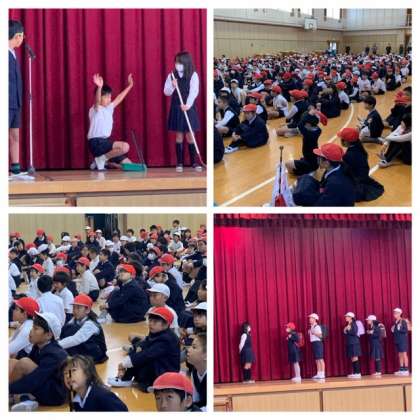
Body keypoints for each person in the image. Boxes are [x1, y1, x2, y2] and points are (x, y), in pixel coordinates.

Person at [108, 306, 180, 391]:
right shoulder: (158, 332)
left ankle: (149, 384)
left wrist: (124, 363)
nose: (151, 323)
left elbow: (148, 354)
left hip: (166, 373)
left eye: (155, 321)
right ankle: (125, 378)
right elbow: (146, 343)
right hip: (161, 365)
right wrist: (137, 348)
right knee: (138, 350)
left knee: (142, 358)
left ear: (166, 324)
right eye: (150, 320)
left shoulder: (167, 339)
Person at [9, 312, 67, 410]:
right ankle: (22, 397)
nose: (31, 331)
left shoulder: (53, 354)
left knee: (24, 363)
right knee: (12, 362)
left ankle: (17, 396)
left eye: (35, 329)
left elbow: (35, 380)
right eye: (32, 327)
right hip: (43, 384)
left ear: (48, 335)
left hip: (54, 394)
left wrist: (9, 388)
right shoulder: (38, 346)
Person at [164, 51, 202, 172]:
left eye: (179, 62)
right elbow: (166, 92)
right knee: (179, 135)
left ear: (186, 62)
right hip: (177, 106)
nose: (177, 64)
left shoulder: (193, 75)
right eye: (176, 62)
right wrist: (172, 85)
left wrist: (188, 105)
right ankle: (179, 163)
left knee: (190, 135)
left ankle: (194, 162)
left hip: (188, 106)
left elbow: (194, 91)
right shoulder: (171, 75)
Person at [88, 73, 134, 170]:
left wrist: (130, 86)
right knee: (125, 147)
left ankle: (104, 162)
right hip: (96, 143)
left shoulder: (109, 108)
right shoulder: (95, 109)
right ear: (100, 97)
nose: (109, 99)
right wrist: (99, 87)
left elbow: (119, 98)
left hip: (106, 143)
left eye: (110, 97)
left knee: (129, 165)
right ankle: (101, 160)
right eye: (106, 97)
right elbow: (97, 101)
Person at [62, 355, 128, 411]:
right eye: (65, 373)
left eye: (73, 370)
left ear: (87, 373)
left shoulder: (103, 396)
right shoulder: (74, 399)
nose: (68, 376)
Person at [59, 294, 108, 364]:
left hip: (98, 354)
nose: (75, 311)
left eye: (78, 308)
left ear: (87, 310)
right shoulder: (74, 319)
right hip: (85, 349)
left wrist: (56, 346)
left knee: (72, 331)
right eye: (74, 307)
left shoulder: (91, 324)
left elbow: (76, 339)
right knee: (67, 329)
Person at [338, 127, 384, 201]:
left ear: (346, 142)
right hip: (362, 174)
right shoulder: (359, 147)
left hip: (357, 178)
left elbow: (346, 170)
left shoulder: (349, 155)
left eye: (342, 139)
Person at [9, 20, 24, 175]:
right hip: (7, 101)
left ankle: (15, 169)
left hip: (16, 102)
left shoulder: (13, 53)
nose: (22, 39)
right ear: (17, 35)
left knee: (15, 134)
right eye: (21, 36)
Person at [286, 109, 321, 176]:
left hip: (310, 163)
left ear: (308, 124)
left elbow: (300, 124)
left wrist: (309, 114)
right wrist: (311, 115)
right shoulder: (318, 130)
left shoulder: (308, 134)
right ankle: (307, 169)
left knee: (287, 164)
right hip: (312, 159)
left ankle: (305, 173)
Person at [186, 333, 207, 410]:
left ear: (206, 355)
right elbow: (195, 400)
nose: (189, 349)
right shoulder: (194, 371)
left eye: (194, 347)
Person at [391, 308, 410, 376]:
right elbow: (396, 331)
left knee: (404, 354)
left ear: (399, 313)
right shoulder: (396, 322)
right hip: (397, 340)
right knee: (400, 355)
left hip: (402, 340)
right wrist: (394, 329)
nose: (394, 314)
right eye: (394, 313)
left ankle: (406, 370)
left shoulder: (403, 321)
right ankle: (401, 369)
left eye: (396, 313)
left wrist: (399, 329)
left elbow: (405, 330)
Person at [343, 312, 362, 379]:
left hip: (354, 343)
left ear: (351, 317)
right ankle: (355, 372)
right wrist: (345, 330)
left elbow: (354, 332)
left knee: (355, 357)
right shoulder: (349, 324)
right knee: (352, 357)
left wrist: (348, 330)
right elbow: (347, 332)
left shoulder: (353, 324)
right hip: (350, 343)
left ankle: (358, 373)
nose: (346, 317)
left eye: (347, 316)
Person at [308, 313, 325, 380]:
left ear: (315, 319)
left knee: (320, 358)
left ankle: (322, 374)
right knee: (317, 359)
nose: (310, 319)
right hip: (314, 343)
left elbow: (321, 336)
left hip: (318, 343)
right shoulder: (311, 326)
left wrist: (314, 333)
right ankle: (319, 373)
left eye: (311, 318)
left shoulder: (317, 327)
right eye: (310, 318)